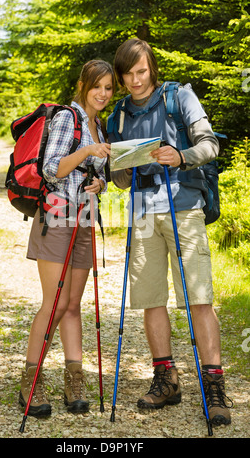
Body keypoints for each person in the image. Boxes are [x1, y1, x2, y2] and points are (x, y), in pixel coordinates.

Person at [107, 38, 232, 427]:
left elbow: (210, 145)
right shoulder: (119, 116)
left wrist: (180, 156)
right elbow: (120, 180)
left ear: (152, 68)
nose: (135, 80)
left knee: (198, 298)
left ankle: (214, 386)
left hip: (184, 209)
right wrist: (121, 169)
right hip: (142, 214)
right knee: (150, 300)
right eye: (127, 74)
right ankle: (167, 379)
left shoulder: (180, 96)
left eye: (141, 71)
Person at [19, 59, 113, 417]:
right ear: (83, 85)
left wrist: (100, 182)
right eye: (97, 86)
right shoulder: (67, 119)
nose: (103, 93)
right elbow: (51, 168)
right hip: (57, 217)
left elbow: (96, 175)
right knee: (55, 304)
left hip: (85, 218)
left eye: (108, 88)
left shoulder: (99, 126)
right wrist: (87, 151)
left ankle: (74, 380)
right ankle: (31, 382)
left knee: (73, 305)